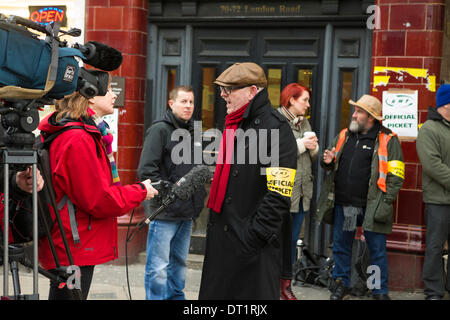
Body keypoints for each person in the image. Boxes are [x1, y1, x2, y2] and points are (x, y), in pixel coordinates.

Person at [37, 81, 158, 300]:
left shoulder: (84, 132)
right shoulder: (78, 138)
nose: (114, 95)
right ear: (91, 96)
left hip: (72, 240)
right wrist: (140, 191)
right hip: (72, 244)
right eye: (110, 89)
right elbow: (98, 199)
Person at [198, 62, 297, 300]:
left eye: (229, 89)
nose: (222, 95)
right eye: (222, 89)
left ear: (253, 91)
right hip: (223, 242)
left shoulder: (278, 128)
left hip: (251, 249)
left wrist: (252, 237)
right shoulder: (234, 123)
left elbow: (279, 194)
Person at [316, 94, 404, 300]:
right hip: (347, 206)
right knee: (342, 247)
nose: (354, 115)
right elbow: (330, 162)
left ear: (371, 117)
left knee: (376, 250)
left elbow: (397, 176)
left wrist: (385, 202)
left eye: (359, 112)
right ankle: (342, 285)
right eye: (355, 111)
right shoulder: (345, 135)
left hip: (372, 206)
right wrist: (328, 161)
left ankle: (378, 289)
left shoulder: (388, 139)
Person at [138, 85, 206, 300]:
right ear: (171, 103)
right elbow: (146, 170)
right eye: (183, 101)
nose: (188, 106)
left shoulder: (194, 131)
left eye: (191, 102)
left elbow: (196, 168)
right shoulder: (159, 130)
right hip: (164, 212)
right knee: (158, 267)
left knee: (179, 263)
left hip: (186, 212)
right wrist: (168, 194)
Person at [277, 83, 319, 300]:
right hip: (283, 192)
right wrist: (302, 144)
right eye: (305, 100)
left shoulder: (304, 122)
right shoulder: (276, 121)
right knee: (279, 242)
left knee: (292, 242)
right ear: (292, 100)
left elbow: (309, 157)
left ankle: (286, 285)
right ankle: (276, 285)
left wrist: (314, 148)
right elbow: (277, 152)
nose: (308, 104)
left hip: (302, 193)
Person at [416, 84, 450, 300]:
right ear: (446, 105)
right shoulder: (429, 129)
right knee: (436, 247)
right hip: (438, 200)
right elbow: (432, 165)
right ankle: (434, 291)